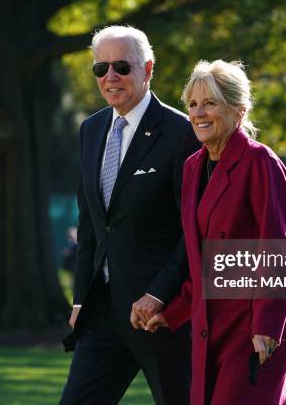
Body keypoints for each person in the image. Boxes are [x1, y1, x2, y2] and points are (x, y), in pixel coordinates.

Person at [145, 60, 286, 405]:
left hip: (249, 326)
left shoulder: (261, 162)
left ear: (239, 111)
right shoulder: (193, 166)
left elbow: (276, 251)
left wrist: (267, 326)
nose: (198, 113)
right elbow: (205, 261)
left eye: (210, 103)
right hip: (207, 327)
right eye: (193, 104)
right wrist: (172, 313)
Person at [59, 25, 200, 404]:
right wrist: (79, 301)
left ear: (148, 69)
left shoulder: (181, 133)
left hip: (161, 316)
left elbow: (194, 229)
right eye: (100, 69)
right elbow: (90, 225)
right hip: (102, 313)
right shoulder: (90, 130)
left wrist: (159, 294)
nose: (110, 77)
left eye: (121, 66)